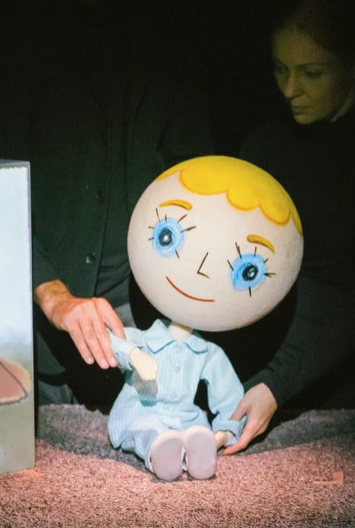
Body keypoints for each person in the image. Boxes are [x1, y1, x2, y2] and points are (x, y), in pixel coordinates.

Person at [0, 0, 213, 406]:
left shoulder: (170, 34)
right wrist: (52, 294)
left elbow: (190, 170)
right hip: (36, 330)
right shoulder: (17, 25)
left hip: (138, 321)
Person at [226, 0, 355, 453]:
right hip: (256, 380)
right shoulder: (263, 146)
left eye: (311, 73)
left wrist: (278, 382)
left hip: (342, 397)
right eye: (280, 69)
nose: (289, 90)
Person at [107, 155, 303, 480]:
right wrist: (135, 356)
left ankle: (196, 454)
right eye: (168, 236)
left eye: (247, 270)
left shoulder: (208, 353)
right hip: (139, 412)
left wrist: (223, 431)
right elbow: (113, 343)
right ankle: (159, 452)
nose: (201, 272)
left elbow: (228, 396)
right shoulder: (145, 339)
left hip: (185, 418)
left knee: (196, 429)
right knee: (147, 430)